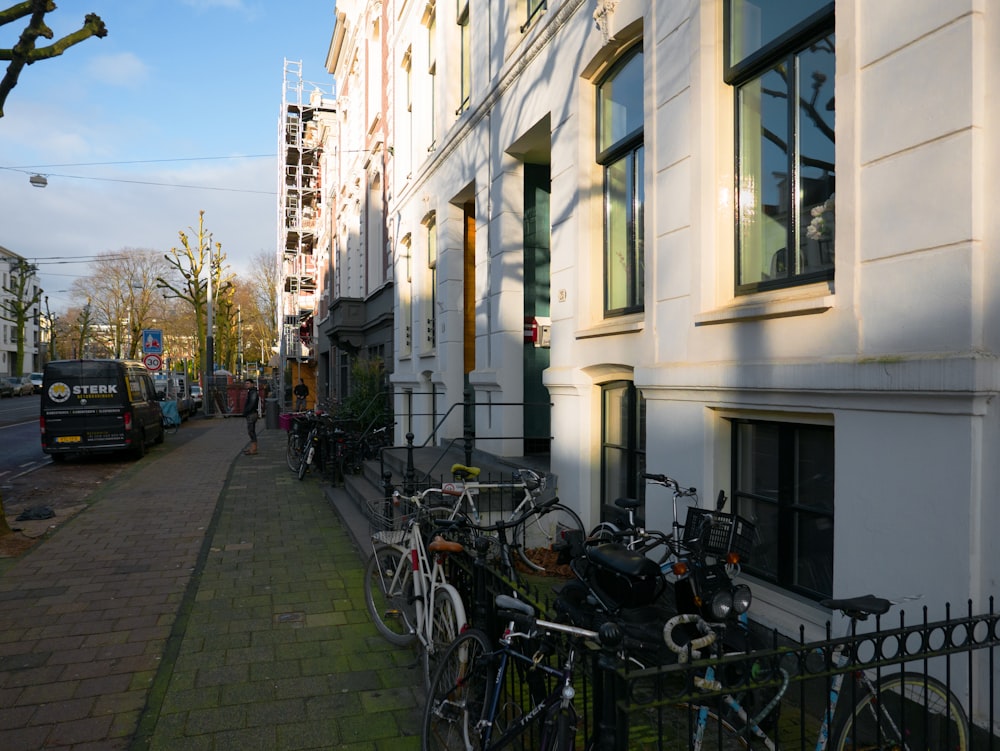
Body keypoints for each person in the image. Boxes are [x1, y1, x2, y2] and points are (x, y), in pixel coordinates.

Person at [242, 379, 260, 455]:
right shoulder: (251, 392)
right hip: (251, 413)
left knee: (251, 431)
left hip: (252, 413)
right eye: (246, 383)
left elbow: (252, 403)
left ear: (252, 384)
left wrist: (246, 411)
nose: (246, 385)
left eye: (248, 383)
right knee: (251, 431)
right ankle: (253, 448)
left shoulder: (253, 392)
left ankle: (254, 449)